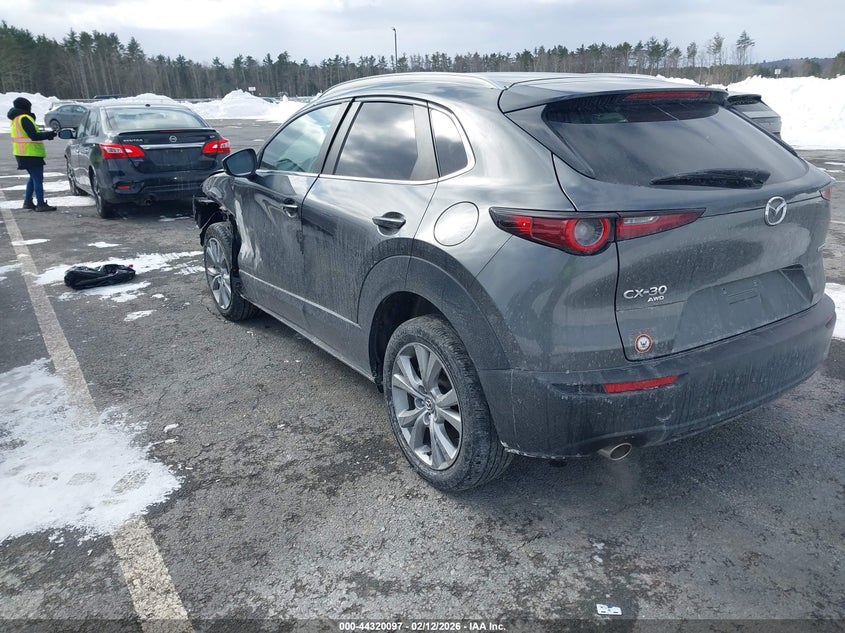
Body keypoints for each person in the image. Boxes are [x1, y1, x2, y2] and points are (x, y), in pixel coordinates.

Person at [7, 96, 57, 212]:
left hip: (22, 153)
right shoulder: (24, 118)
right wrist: (49, 134)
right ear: (25, 106)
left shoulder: (15, 119)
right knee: (38, 179)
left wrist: (46, 135)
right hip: (30, 153)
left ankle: (28, 202)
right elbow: (34, 135)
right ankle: (40, 204)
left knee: (33, 178)